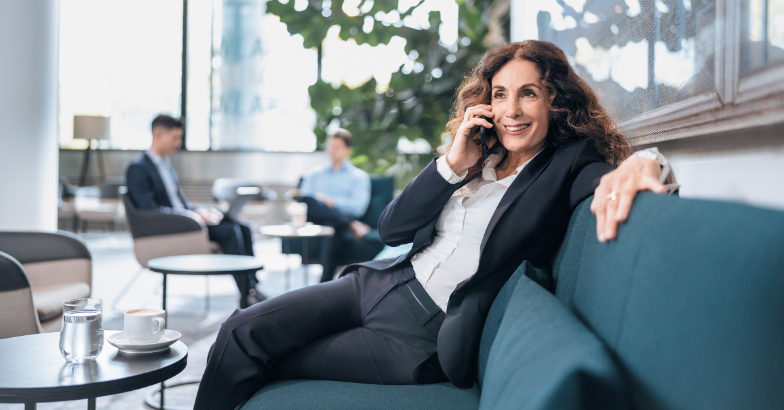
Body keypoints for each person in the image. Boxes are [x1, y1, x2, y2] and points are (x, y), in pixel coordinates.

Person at [193, 41, 677, 410]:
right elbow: (391, 229)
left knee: (267, 361)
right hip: (378, 283)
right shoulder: (476, 158)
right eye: (500, 95)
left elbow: (611, 179)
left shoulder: (568, 164)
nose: (511, 110)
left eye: (528, 94)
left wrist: (648, 163)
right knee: (239, 333)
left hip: (420, 332)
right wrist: (453, 162)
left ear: (556, 102)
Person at [125, 114, 264, 309]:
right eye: (175, 138)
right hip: (173, 228)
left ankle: (252, 288)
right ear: (158, 136)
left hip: (186, 220)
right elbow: (150, 210)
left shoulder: (166, 165)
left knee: (243, 226)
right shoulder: (138, 168)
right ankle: (247, 295)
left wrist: (202, 211)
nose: (179, 143)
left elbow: (181, 203)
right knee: (231, 233)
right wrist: (191, 216)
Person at [298, 129, 371, 282]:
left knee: (334, 224)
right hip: (314, 215)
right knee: (308, 200)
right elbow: (304, 199)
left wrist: (332, 201)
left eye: (337, 146)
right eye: (330, 146)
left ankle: (324, 283)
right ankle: (351, 224)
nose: (332, 150)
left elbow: (358, 207)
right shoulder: (314, 174)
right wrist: (321, 200)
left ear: (348, 150)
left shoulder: (359, 177)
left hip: (336, 219)